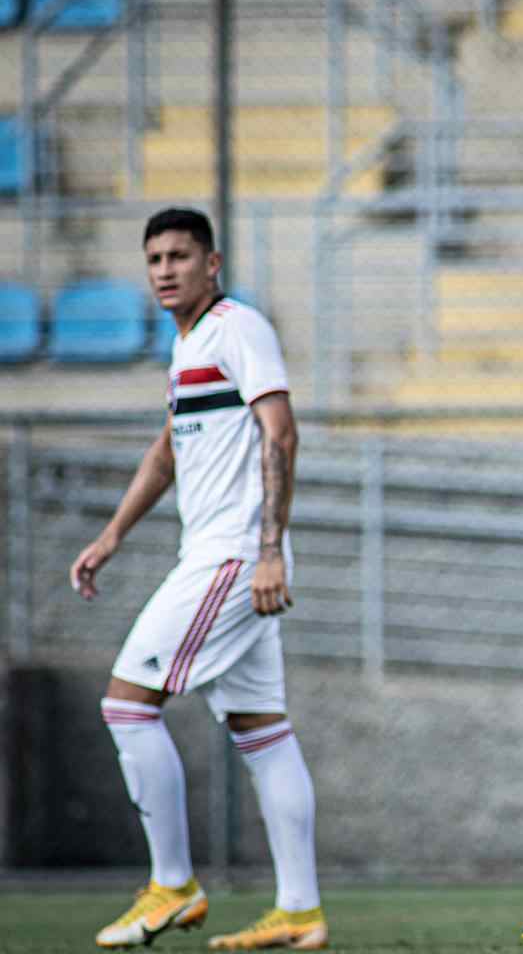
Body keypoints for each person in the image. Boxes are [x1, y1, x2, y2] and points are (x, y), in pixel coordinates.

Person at [71, 208, 326, 952]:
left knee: (126, 705)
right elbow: (168, 450)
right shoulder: (186, 348)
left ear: (212, 263)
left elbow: (281, 430)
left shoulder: (237, 327)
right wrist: (112, 535)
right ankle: (301, 911)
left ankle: (173, 885)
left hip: (232, 558)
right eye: (153, 257)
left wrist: (270, 548)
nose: (163, 269)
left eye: (180, 255)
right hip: (223, 555)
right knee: (262, 729)